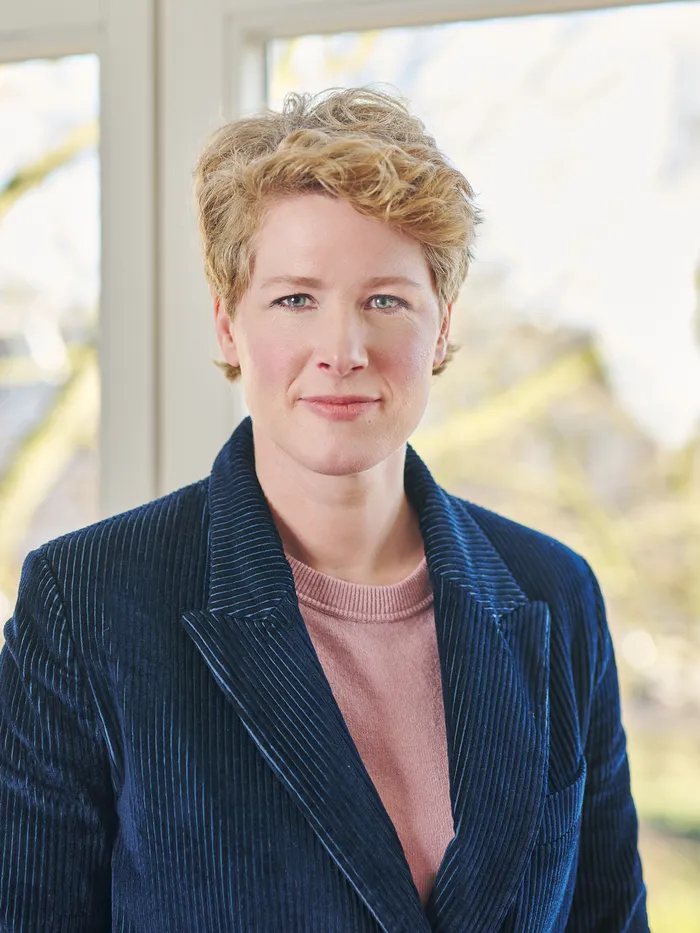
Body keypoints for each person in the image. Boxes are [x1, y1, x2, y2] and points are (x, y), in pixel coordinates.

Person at [0, 86, 649, 932]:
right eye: (295, 299)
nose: (342, 351)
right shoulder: (86, 600)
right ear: (230, 325)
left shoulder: (556, 594)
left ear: (443, 327)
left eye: (385, 300)